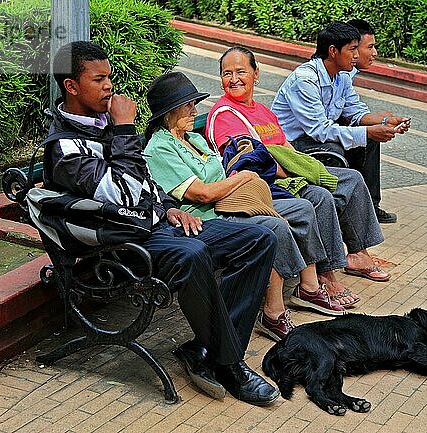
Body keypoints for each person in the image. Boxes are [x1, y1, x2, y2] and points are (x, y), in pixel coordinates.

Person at [45, 41, 280, 406]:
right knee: (193, 252)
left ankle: (203, 349)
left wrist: (170, 206)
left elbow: (145, 181)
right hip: (118, 243)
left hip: (156, 224)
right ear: (71, 87)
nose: (109, 86)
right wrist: (124, 129)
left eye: (110, 77)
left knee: (259, 238)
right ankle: (230, 364)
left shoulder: (104, 125)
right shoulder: (66, 146)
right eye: (99, 79)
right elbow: (120, 196)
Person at [144, 72, 347, 345]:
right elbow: (202, 193)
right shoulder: (160, 148)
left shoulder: (193, 138)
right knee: (273, 226)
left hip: (233, 201)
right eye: (188, 105)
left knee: (301, 208)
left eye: (195, 103)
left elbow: (222, 174)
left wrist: (242, 178)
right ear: (169, 112)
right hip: (208, 215)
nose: (195, 109)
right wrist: (244, 178)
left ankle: (308, 286)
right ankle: (273, 313)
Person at [206, 46, 390, 300]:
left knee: (352, 179)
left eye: (241, 72)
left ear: (256, 74)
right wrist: (299, 173)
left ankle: (358, 253)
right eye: (227, 73)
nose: (234, 79)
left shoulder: (261, 110)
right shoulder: (225, 114)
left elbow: (284, 146)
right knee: (320, 197)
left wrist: (306, 167)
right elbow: (246, 162)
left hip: (290, 172)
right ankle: (326, 275)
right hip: (265, 184)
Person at [271, 21, 410, 224]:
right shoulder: (305, 80)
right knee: (335, 147)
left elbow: (355, 111)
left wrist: (386, 122)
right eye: (352, 49)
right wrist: (369, 131)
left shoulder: (341, 76)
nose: (356, 56)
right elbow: (319, 130)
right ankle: (336, 213)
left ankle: (368, 206)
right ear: (333, 51)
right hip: (291, 145)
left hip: (315, 138)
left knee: (367, 139)